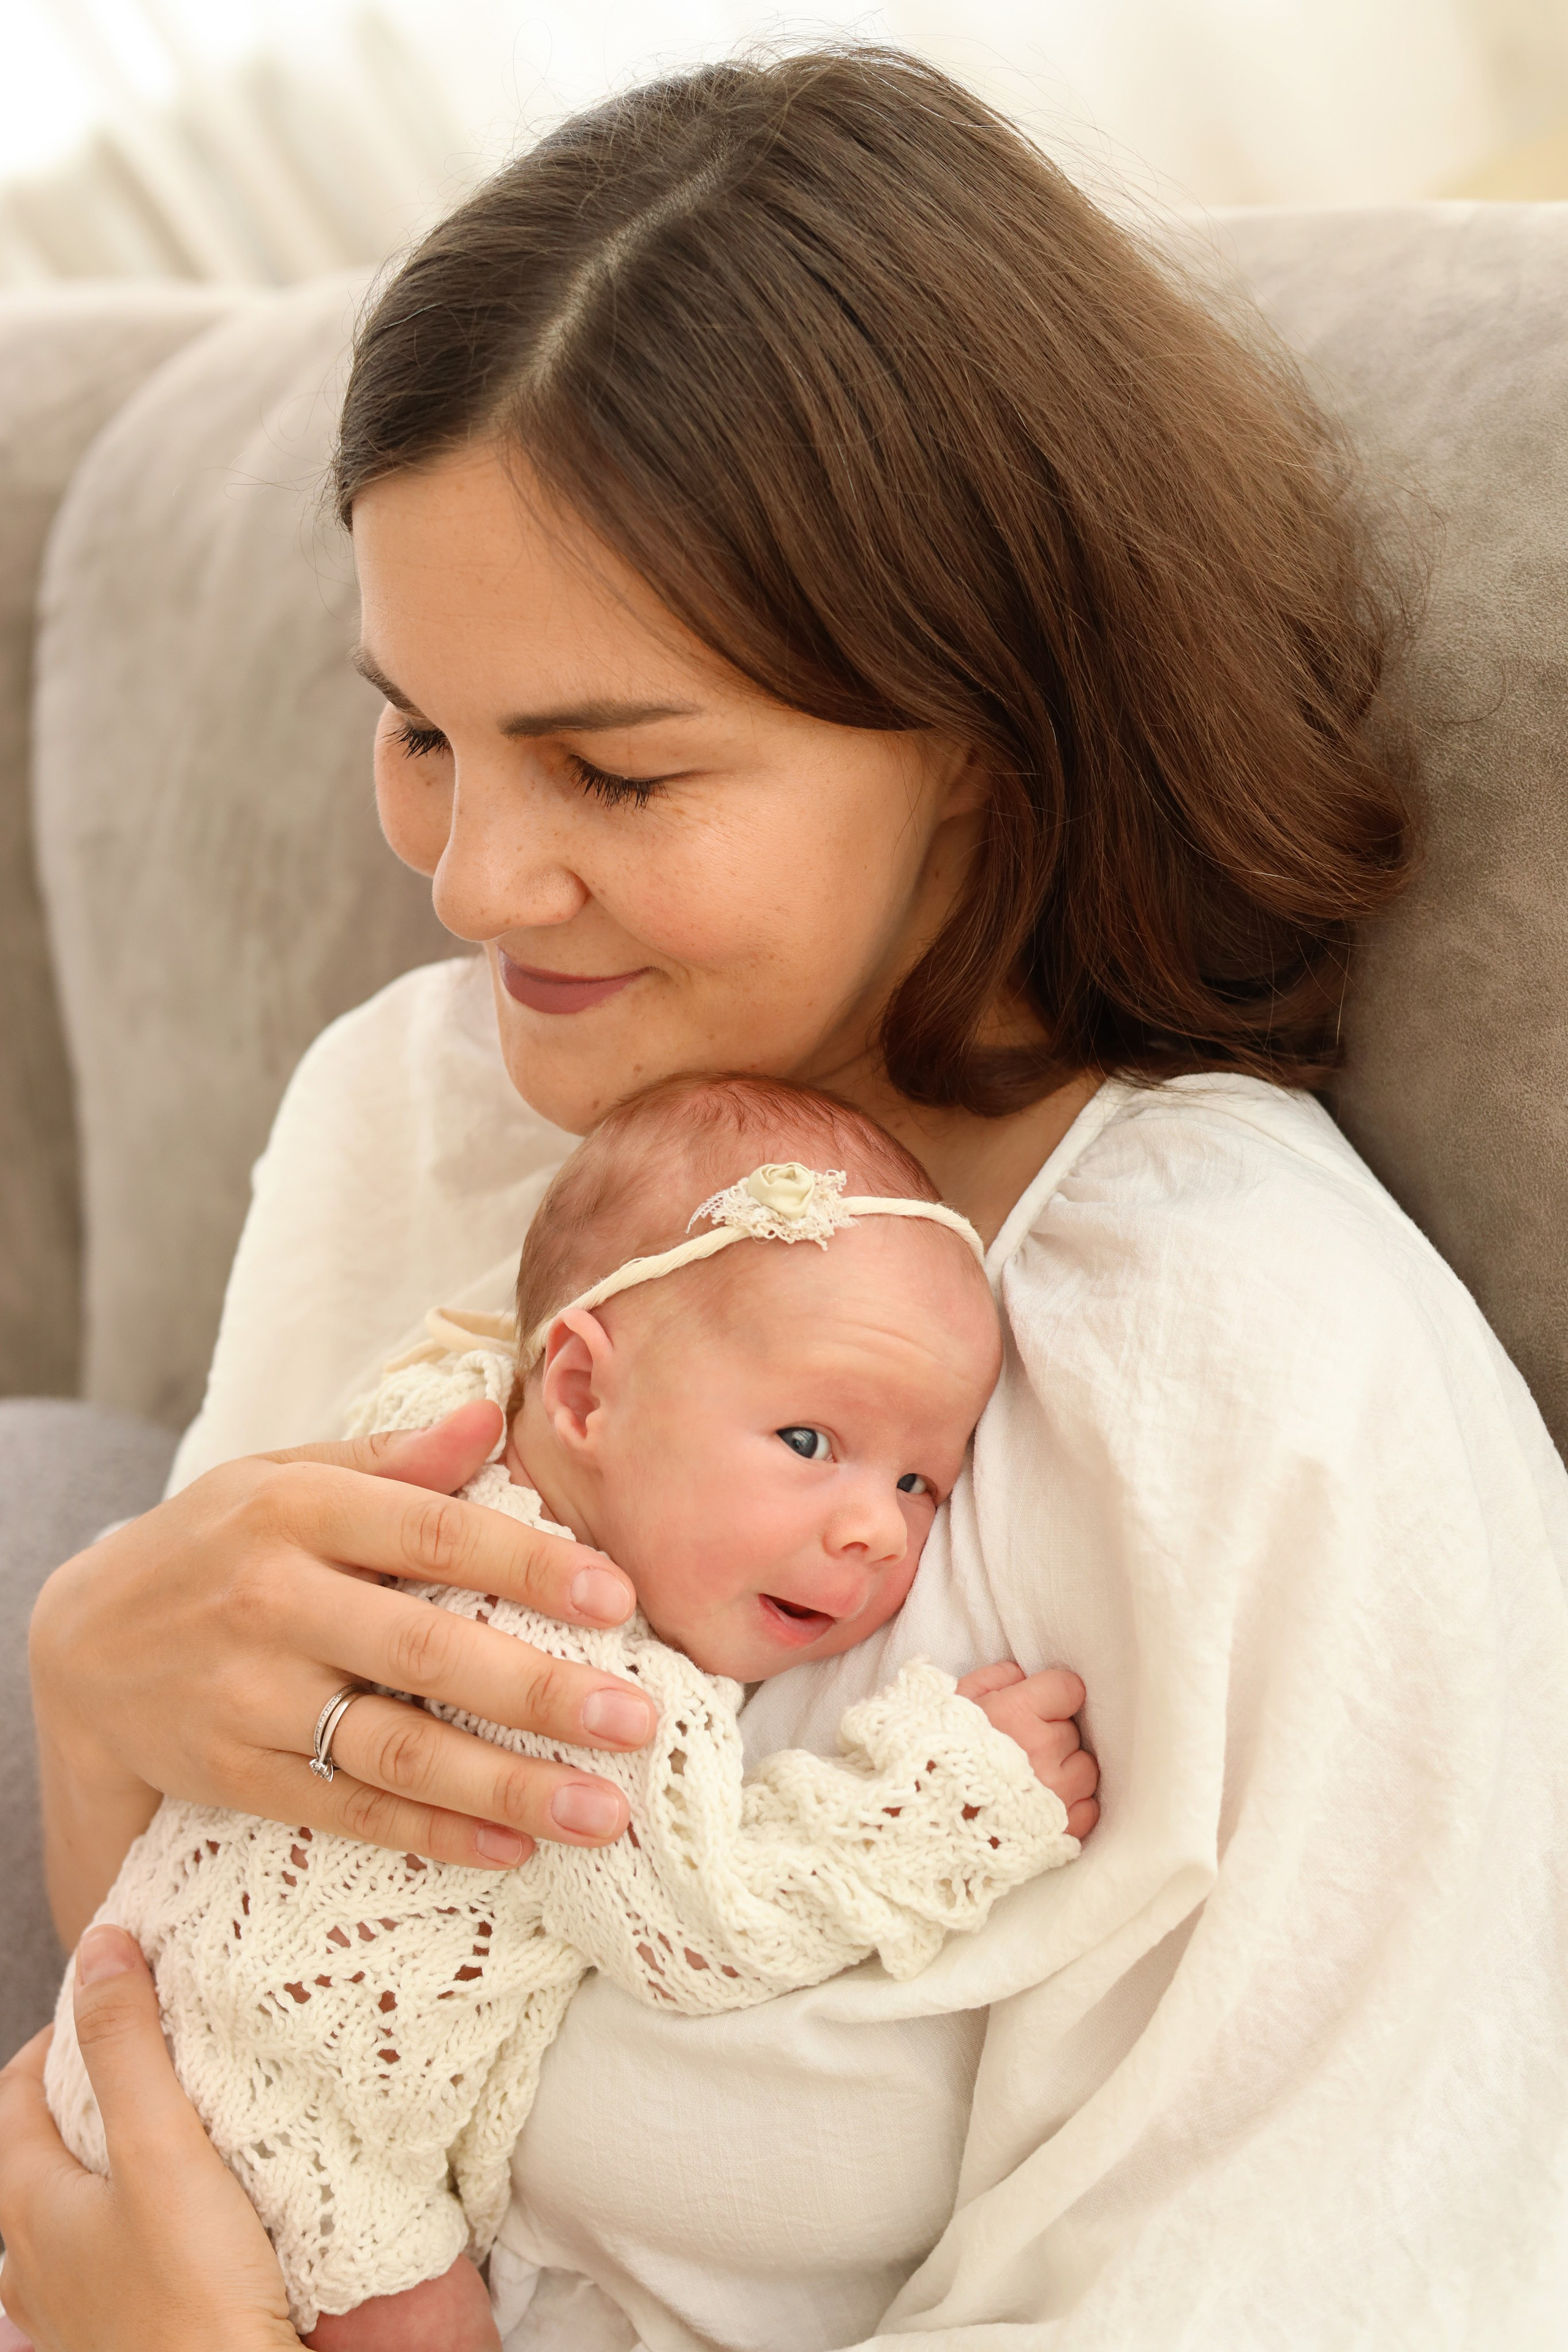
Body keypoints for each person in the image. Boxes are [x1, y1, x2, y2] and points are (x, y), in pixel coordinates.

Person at [2, 40, 1565, 2352]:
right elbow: (210, 2002)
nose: (468, 881)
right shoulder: (417, 1118)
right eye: (419, 729)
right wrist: (91, 1706)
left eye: (611, 770)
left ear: (982, 740)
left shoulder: (1266, 1390)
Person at [42, 1078, 1092, 2348]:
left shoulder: (430, 1438)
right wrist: (950, 1798)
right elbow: (708, 1922)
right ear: (583, 1396)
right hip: (290, 2165)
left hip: (117, 2074)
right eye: (810, 1440)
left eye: (921, 1478)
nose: (877, 1527)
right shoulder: (570, 1675)